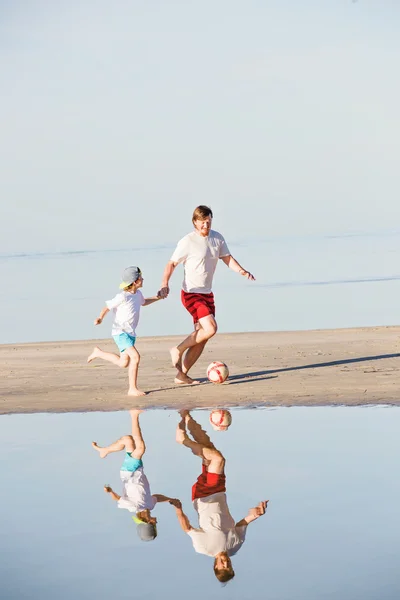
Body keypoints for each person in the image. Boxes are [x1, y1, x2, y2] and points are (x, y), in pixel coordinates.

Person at [159, 205, 255, 384]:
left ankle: (182, 374)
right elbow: (171, 264)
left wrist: (241, 271)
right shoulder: (187, 241)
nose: (206, 224)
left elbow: (227, 258)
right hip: (191, 294)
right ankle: (177, 350)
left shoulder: (217, 238)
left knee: (202, 338)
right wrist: (165, 284)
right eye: (202, 221)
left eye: (208, 221)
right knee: (211, 328)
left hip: (207, 294)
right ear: (195, 222)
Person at [172, 411, 268, 583]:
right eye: (229, 565)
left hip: (203, 497)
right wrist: (255, 515)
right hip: (220, 492)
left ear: (216, 566)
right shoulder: (235, 546)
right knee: (208, 448)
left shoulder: (204, 548)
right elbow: (241, 524)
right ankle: (186, 416)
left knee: (217, 459)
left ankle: (183, 441)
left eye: (223, 565)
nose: (226, 562)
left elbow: (187, 529)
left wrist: (178, 509)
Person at [92, 409, 178, 542]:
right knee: (128, 440)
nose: (156, 523)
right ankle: (105, 450)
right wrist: (170, 499)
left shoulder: (133, 507)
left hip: (128, 473)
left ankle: (134, 415)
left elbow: (118, 499)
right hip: (138, 469)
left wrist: (109, 491)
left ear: (147, 522)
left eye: (154, 525)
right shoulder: (150, 505)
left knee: (141, 448)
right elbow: (157, 497)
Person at [87, 266, 163, 396]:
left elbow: (144, 302)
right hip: (120, 332)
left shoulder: (138, 294)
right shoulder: (123, 296)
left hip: (130, 333)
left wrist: (159, 297)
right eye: (141, 277)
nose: (143, 279)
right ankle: (132, 389)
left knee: (123, 363)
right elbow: (107, 307)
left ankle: (98, 353)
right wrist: (100, 318)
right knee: (135, 357)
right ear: (135, 281)